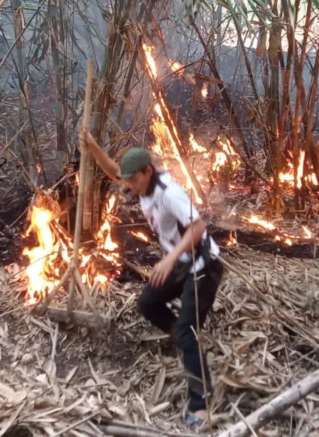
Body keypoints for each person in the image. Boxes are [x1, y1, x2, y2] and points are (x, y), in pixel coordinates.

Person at [81, 127, 224, 431]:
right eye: (128, 180)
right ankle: (184, 341)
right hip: (180, 262)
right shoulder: (137, 181)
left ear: (148, 171)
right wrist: (93, 146)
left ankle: (201, 404)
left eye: (134, 180)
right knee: (148, 303)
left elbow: (198, 227)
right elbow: (114, 172)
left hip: (202, 265)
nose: (129, 186)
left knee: (189, 331)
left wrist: (169, 258)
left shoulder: (169, 193)